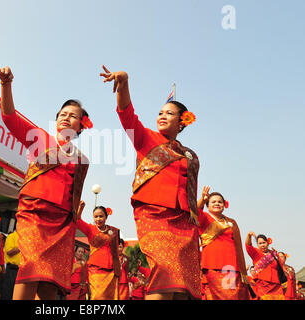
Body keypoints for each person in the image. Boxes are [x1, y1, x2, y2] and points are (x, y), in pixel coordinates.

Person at [100, 66, 201, 300]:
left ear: (182, 122)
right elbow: (127, 116)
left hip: (184, 222)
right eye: (160, 113)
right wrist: (123, 84)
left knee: (182, 286)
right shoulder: (147, 138)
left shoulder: (190, 155)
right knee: (164, 274)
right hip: (154, 215)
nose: (162, 116)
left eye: (169, 113)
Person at [0, 65, 90, 300]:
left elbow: (74, 195)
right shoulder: (40, 138)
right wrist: (6, 85)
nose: (66, 117)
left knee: (50, 285)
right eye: (63, 113)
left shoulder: (82, 160)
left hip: (62, 224)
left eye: (73, 115)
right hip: (34, 215)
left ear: (81, 126)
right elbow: (9, 118)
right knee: (31, 270)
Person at [196, 186, 250, 300]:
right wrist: (202, 199)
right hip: (211, 265)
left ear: (224, 205)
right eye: (213, 202)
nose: (217, 204)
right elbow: (193, 212)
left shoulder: (231, 222)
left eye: (220, 202)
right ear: (208, 205)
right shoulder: (204, 217)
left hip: (230, 266)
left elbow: (238, 246)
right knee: (213, 296)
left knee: (231, 296)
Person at [76, 204, 120, 300]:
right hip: (95, 269)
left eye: (101, 216)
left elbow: (115, 252)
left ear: (106, 217)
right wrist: (81, 208)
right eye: (96, 217)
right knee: (97, 296)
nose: (98, 219)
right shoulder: (90, 229)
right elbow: (77, 221)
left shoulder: (113, 231)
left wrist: (117, 271)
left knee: (110, 298)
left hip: (111, 271)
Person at [245, 232, 285, 300]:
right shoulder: (255, 253)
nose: (262, 245)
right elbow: (248, 246)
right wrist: (249, 235)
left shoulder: (274, 254)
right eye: (260, 243)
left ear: (267, 243)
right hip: (263, 285)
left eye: (264, 242)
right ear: (257, 245)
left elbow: (280, 269)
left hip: (276, 286)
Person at [0, 230, 20, 300]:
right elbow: (9, 252)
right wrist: (21, 246)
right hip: (12, 270)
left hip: (21, 271)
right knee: (7, 294)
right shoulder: (12, 236)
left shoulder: (26, 238)